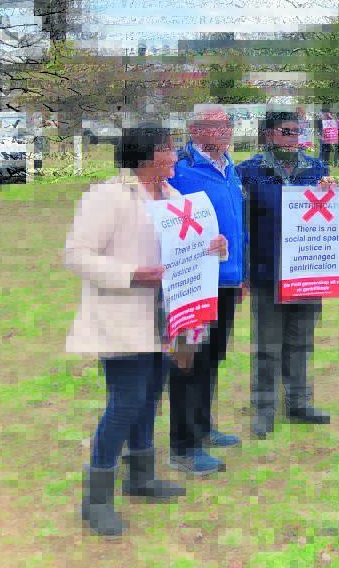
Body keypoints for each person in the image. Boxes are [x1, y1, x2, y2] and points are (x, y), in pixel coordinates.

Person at [64, 124, 227, 536]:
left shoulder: (174, 198)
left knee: (151, 396)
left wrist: (215, 248)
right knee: (126, 402)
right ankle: (96, 499)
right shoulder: (109, 196)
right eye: (169, 149)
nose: (175, 156)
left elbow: (185, 249)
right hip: (123, 316)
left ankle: (141, 477)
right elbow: (76, 256)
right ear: (146, 155)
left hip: (168, 317)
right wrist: (134, 274)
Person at [236, 110, 334, 438]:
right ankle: (264, 408)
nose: (293, 138)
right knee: (267, 346)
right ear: (268, 135)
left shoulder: (316, 169)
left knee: (301, 342)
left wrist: (330, 192)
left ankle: (298, 403)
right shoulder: (248, 171)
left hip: (307, 272)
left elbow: (329, 217)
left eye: (297, 131)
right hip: (268, 270)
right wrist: (245, 269)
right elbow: (241, 224)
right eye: (285, 131)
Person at [166, 105, 246, 477]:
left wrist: (241, 274)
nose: (225, 132)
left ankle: (202, 427)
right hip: (194, 285)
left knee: (212, 358)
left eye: (228, 125)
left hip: (227, 281)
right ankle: (183, 446)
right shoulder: (180, 171)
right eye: (216, 126)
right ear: (195, 130)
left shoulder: (230, 168)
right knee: (188, 362)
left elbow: (238, 225)